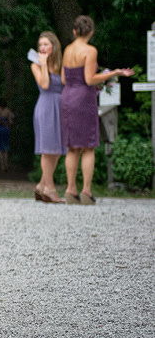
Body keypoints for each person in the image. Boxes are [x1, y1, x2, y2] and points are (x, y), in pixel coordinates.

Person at [60, 15, 135, 205]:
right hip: (83, 99)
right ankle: (86, 190)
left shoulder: (67, 49)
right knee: (88, 146)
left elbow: (63, 79)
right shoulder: (90, 50)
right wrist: (114, 73)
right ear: (91, 32)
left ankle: (70, 190)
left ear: (75, 31)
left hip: (67, 96)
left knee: (72, 147)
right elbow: (90, 79)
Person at [30, 31, 67, 203]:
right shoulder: (36, 65)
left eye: (46, 44)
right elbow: (44, 84)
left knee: (57, 149)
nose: (42, 48)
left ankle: (41, 186)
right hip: (45, 107)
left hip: (61, 107)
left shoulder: (62, 64)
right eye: (40, 45)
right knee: (47, 149)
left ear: (54, 45)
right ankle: (50, 189)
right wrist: (43, 64)